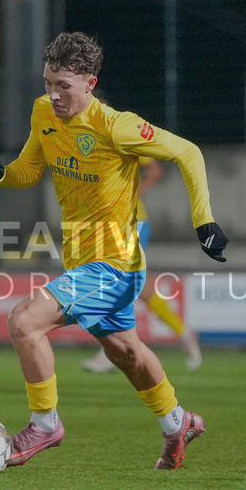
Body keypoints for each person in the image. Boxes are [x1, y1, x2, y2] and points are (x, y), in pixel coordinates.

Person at [0, 31, 228, 469]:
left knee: (23, 321)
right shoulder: (43, 113)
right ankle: (177, 422)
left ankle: (45, 423)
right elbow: (30, 169)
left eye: (64, 86)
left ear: (90, 84)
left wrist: (203, 221)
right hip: (81, 259)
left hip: (116, 265)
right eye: (48, 83)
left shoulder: (117, 126)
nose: (53, 94)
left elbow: (188, 153)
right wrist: (2, 175)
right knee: (124, 352)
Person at [81, 142, 203, 373]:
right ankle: (185, 333)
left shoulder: (118, 138)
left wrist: (133, 193)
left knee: (114, 282)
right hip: (108, 224)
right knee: (137, 286)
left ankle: (112, 350)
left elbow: (155, 169)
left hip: (132, 222)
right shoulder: (85, 145)